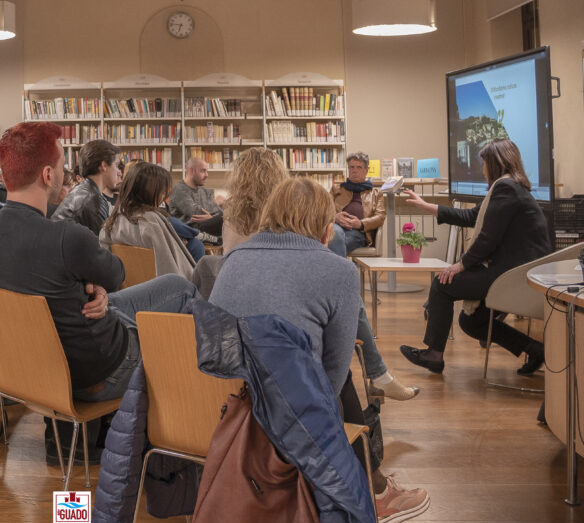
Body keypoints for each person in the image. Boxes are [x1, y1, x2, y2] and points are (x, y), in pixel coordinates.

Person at [208, 177, 429, 523]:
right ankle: (373, 493)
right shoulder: (339, 271)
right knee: (335, 378)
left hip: (219, 417)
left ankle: (376, 487)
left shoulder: (232, 260)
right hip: (288, 427)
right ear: (327, 228)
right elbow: (333, 377)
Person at [0, 122, 200, 404]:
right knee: (182, 301)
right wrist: (94, 283)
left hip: (30, 368)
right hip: (98, 372)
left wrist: (88, 285)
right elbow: (117, 274)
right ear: (47, 175)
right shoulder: (67, 238)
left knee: (175, 286)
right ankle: (188, 421)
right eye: (61, 165)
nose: (67, 172)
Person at [215, 148, 417, 401]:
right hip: (295, 397)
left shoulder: (231, 212)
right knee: (346, 294)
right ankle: (377, 373)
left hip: (228, 385)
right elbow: (333, 372)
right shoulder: (281, 211)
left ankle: (378, 374)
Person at [399, 139, 549, 375]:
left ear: (496, 163)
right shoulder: (509, 188)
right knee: (471, 322)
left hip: (514, 275)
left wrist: (460, 266)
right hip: (515, 271)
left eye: (484, 164)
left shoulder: (505, 189)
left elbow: (487, 238)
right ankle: (535, 350)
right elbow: (471, 216)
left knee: (442, 283)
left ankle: (434, 355)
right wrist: (427, 206)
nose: (482, 170)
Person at [99, 162, 195, 279]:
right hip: (163, 290)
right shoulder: (150, 220)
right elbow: (169, 269)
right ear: (149, 191)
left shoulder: (114, 219)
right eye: (162, 192)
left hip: (127, 290)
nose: (163, 196)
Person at [51, 139, 121, 235]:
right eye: (116, 165)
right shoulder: (92, 200)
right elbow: (102, 244)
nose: (119, 172)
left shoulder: (83, 190)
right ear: (104, 165)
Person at [327, 152, 386, 257]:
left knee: (336, 242)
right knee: (335, 235)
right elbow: (324, 210)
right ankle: (341, 271)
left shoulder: (376, 193)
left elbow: (380, 217)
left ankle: (332, 270)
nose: (354, 170)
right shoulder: (336, 189)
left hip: (359, 232)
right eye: (352, 167)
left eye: (359, 167)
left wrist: (361, 224)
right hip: (337, 226)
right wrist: (335, 217)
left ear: (366, 170)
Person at [167, 156, 223, 240]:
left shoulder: (204, 191)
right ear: (191, 171)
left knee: (229, 216)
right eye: (203, 171)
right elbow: (197, 213)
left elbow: (218, 211)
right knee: (226, 217)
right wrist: (213, 217)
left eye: (207, 171)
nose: (207, 175)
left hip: (207, 227)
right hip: (192, 231)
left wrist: (211, 217)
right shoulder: (178, 191)